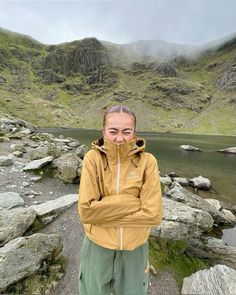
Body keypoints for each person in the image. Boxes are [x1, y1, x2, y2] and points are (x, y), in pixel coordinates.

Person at [78, 105, 163, 295]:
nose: (119, 138)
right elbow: (86, 211)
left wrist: (103, 215)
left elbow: (153, 214)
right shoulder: (93, 159)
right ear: (103, 131)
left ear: (134, 133)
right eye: (113, 131)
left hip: (135, 249)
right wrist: (134, 202)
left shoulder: (148, 162)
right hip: (97, 246)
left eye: (126, 131)